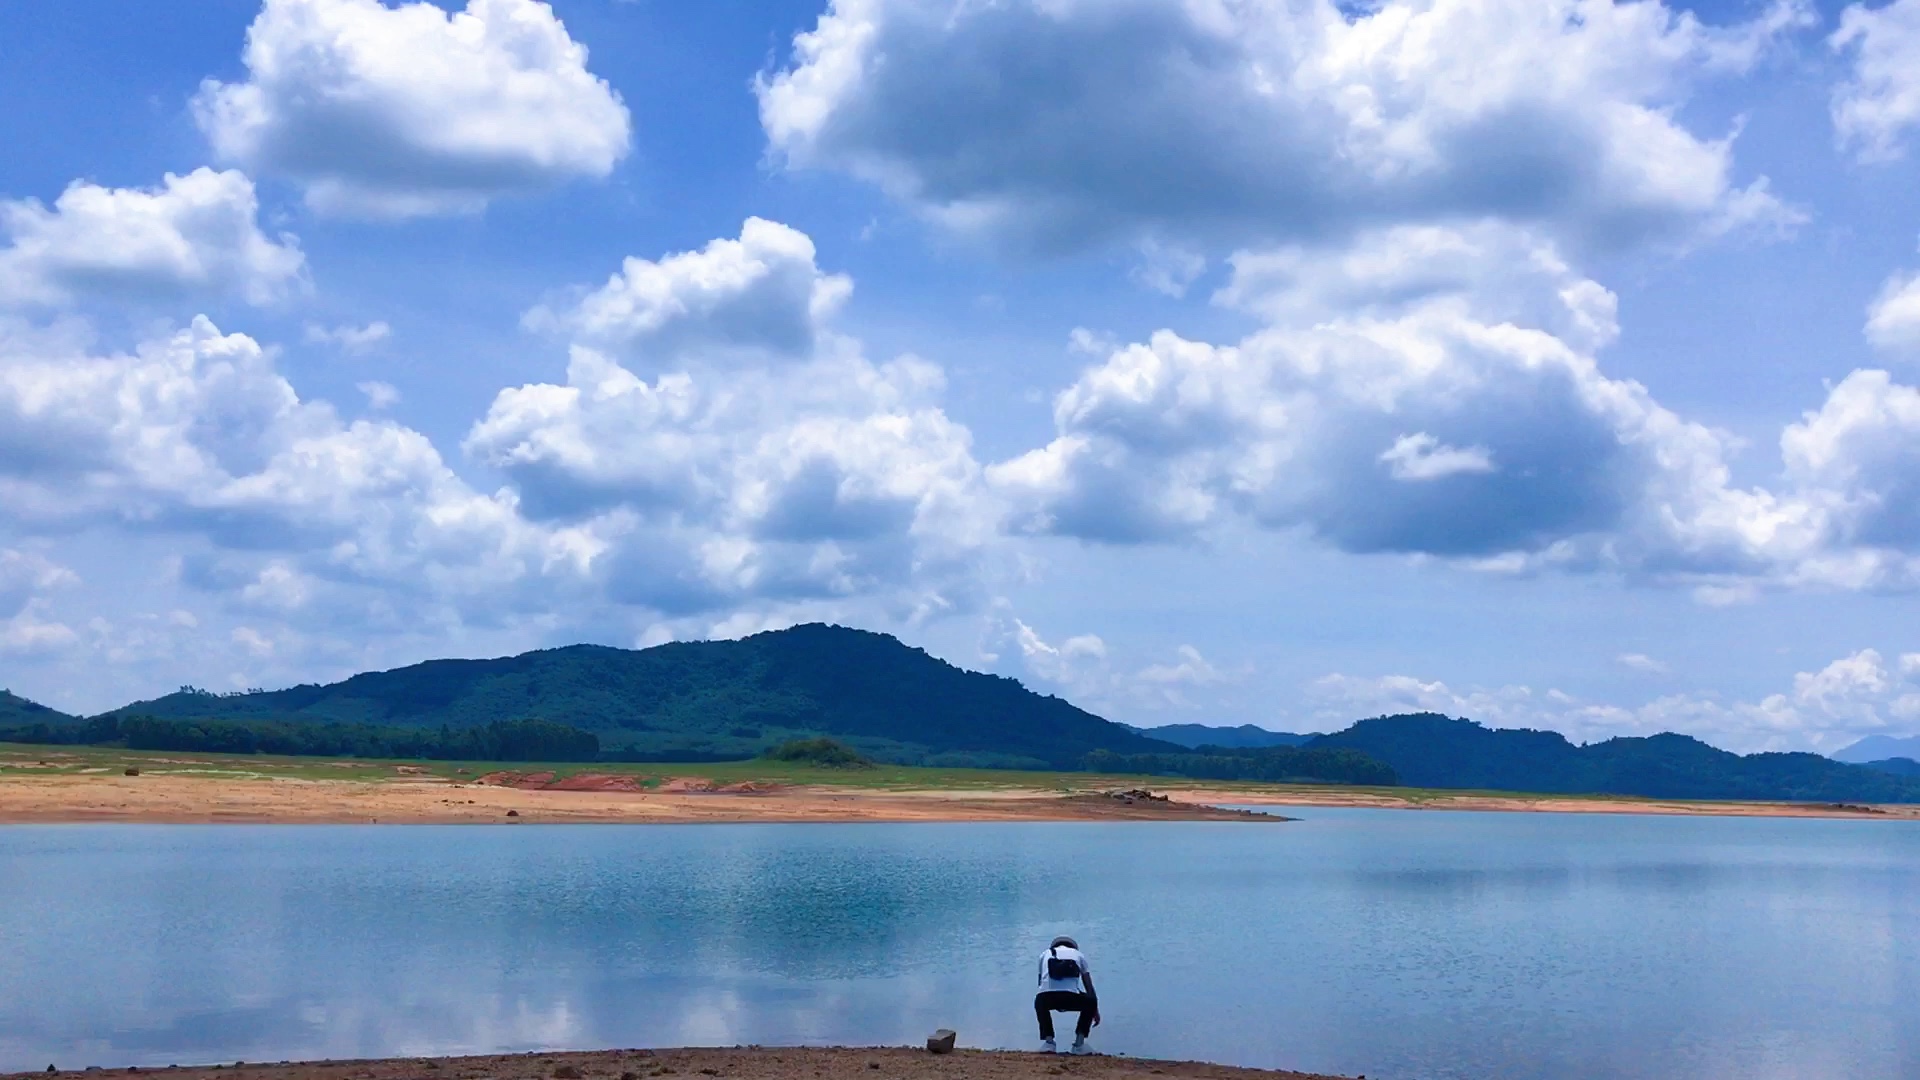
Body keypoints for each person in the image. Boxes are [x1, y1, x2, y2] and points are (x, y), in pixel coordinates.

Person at [1034, 935, 1099, 1054]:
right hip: (1070, 997)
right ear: (1074, 947)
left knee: (1039, 1000)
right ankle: (1079, 1045)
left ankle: (1049, 1043)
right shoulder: (1079, 955)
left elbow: (1040, 985)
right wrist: (1095, 1009)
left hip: (1047, 998)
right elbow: (1088, 986)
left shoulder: (1044, 954)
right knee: (1090, 1001)